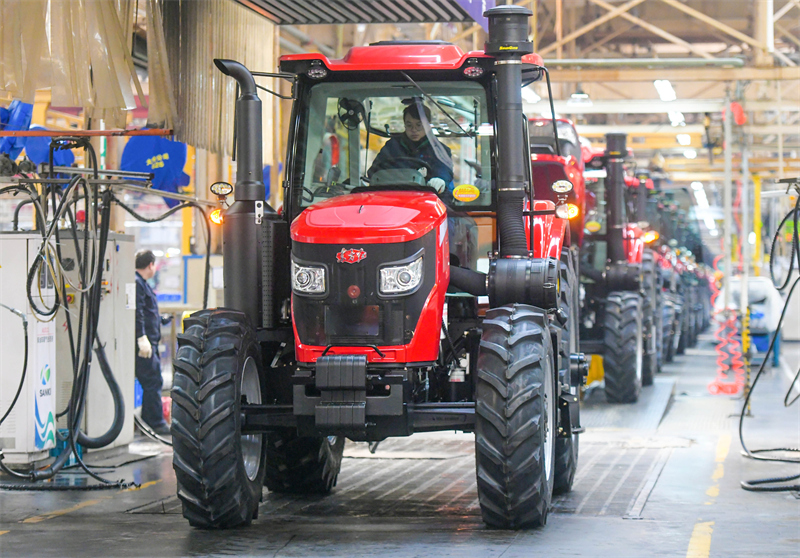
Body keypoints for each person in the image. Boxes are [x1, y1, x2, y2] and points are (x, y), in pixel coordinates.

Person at [367, 102, 453, 194]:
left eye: (419, 125)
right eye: (409, 125)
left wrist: (440, 179)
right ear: (404, 125)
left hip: (427, 196)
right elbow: (374, 171)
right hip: (393, 196)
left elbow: (444, 170)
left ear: (428, 125)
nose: (414, 130)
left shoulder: (439, 149)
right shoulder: (392, 146)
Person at [135, 250, 170, 435]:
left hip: (149, 342)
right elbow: (137, 312)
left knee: (153, 381)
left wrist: (160, 319)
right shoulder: (137, 284)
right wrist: (141, 338)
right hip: (144, 345)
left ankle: (149, 422)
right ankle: (155, 423)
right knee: (153, 381)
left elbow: (146, 312)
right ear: (150, 265)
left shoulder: (142, 284)